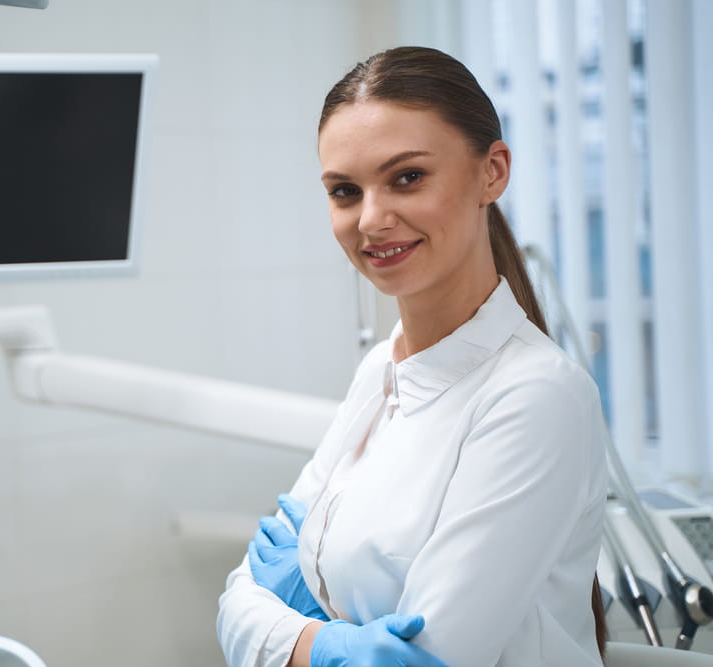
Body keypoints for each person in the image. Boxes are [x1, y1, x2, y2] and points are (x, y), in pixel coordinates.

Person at [216, 46, 609, 667]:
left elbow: (429, 657)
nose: (371, 220)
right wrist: (328, 647)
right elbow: (236, 596)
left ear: (493, 172)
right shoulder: (381, 371)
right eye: (345, 191)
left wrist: (288, 628)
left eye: (407, 177)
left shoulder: (536, 395)